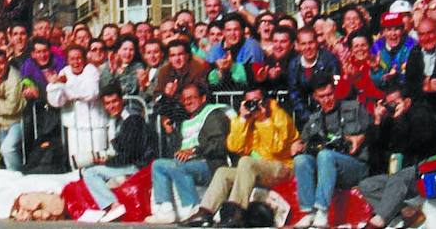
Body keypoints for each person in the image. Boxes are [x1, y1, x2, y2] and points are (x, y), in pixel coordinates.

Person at [188, 89, 297, 228]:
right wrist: (242, 120)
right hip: (255, 169)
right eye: (251, 102)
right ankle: (205, 212)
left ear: (266, 101)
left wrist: (263, 120)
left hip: (280, 166)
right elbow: (234, 147)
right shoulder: (247, 118)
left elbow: (277, 147)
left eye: (258, 101)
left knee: (245, 162)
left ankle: (235, 213)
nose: (255, 105)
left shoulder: (279, 116)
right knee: (223, 172)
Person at [356, 85, 436, 228]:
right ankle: (403, 215)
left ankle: (378, 221)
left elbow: (416, 143)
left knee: (399, 178)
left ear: (407, 102)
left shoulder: (420, 114)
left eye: (396, 102)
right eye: (389, 103)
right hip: (402, 176)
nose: (392, 106)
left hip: (427, 169)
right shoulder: (391, 120)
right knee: (367, 185)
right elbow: (374, 152)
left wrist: (400, 119)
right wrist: (377, 122)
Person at [291, 74, 372, 229]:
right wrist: (297, 145)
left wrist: (361, 137)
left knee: (325, 155)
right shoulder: (314, 120)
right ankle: (309, 213)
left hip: (355, 166)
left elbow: (376, 130)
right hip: (326, 170)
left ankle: (322, 212)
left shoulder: (354, 108)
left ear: (335, 91)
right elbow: (303, 144)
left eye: (330, 94)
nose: (327, 100)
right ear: (315, 97)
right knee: (301, 160)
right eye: (322, 96)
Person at [147, 84, 234, 224]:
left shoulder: (214, 115)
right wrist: (172, 133)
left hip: (210, 165)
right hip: (190, 164)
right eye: (185, 99)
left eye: (192, 97)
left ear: (203, 98)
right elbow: (178, 151)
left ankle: (192, 209)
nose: (188, 101)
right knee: (158, 165)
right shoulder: (184, 120)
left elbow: (219, 145)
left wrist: (194, 150)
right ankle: (165, 209)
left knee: (179, 167)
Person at [80, 84, 155, 223]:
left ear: (121, 100)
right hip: (130, 162)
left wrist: (106, 162)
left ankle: (113, 205)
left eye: (114, 101)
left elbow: (130, 155)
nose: (111, 106)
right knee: (91, 169)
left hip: (137, 165)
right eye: (107, 103)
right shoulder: (119, 120)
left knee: (90, 172)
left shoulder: (132, 120)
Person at [47, 45, 108, 169]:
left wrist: (65, 87)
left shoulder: (91, 70)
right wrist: (54, 85)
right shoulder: (64, 72)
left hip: (95, 125)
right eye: (72, 59)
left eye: (79, 58)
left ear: (84, 59)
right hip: (74, 126)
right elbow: (56, 101)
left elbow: (91, 92)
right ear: (68, 60)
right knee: (77, 164)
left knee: (98, 161)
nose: (76, 62)